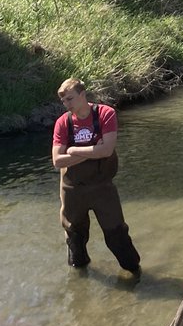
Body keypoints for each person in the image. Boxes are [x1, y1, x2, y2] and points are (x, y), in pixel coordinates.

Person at [51, 78, 140, 274]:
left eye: (70, 99)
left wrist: (74, 151)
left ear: (83, 95)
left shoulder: (105, 114)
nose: (67, 104)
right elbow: (57, 161)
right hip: (72, 189)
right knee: (75, 238)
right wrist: (92, 151)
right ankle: (80, 280)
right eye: (64, 101)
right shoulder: (63, 123)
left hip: (103, 187)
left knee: (117, 234)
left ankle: (135, 272)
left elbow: (107, 150)